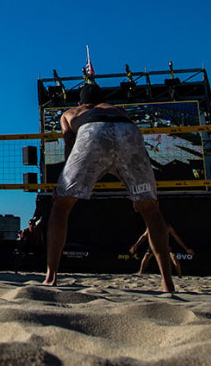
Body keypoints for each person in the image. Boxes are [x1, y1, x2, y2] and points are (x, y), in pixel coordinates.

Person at [43, 84, 176, 293]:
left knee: (61, 205)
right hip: (128, 131)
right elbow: (138, 145)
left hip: (92, 132)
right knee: (151, 209)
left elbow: (69, 140)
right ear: (102, 99)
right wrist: (144, 194)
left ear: (80, 103)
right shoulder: (119, 109)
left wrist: (64, 181)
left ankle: (51, 277)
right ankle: (167, 282)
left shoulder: (71, 113)